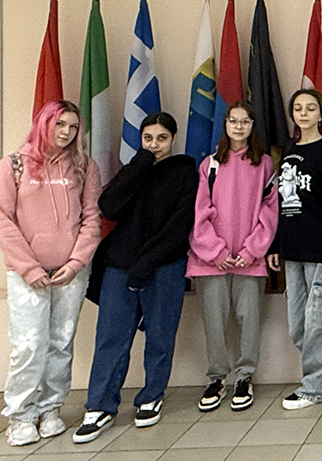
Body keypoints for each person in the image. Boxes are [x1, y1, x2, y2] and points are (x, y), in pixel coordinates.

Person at [73, 112, 198, 443]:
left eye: (161, 138)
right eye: (148, 138)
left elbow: (180, 225)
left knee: (160, 336)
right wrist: (141, 164)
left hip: (164, 266)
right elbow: (109, 207)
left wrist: (148, 261)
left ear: (173, 139)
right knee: (111, 337)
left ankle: (151, 396)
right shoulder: (133, 169)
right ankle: (100, 406)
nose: (154, 144)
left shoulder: (186, 172)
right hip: (120, 266)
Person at [0, 101, 101, 446]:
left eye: (73, 127)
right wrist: (29, 268)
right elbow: (3, 220)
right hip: (27, 273)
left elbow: (91, 217)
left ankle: (50, 408)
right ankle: (21, 415)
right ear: (44, 123)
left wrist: (75, 263)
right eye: (60, 124)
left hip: (70, 273)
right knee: (29, 345)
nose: (67, 132)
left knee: (60, 343)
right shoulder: (13, 165)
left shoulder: (84, 166)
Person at [266, 89, 322, 410]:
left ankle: (316, 388)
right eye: (298, 108)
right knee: (299, 326)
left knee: (320, 323)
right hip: (293, 251)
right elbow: (280, 204)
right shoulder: (288, 151)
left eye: (310, 108)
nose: (303, 113)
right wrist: (276, 244)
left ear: (321, 114)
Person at [188, 102, 278, 412]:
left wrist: (251, 250)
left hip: (249, 260)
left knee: (249, 320)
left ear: (253, 126)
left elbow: (270, 211)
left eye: (245, 121)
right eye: (233, 121)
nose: (239, 126)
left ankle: (244, 377)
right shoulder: (210, 165)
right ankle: (216, 378)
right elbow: (200, 213)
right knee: (214, 322)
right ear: (225, 124)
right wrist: (217, 252)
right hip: (211, 260)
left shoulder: (264, 164)